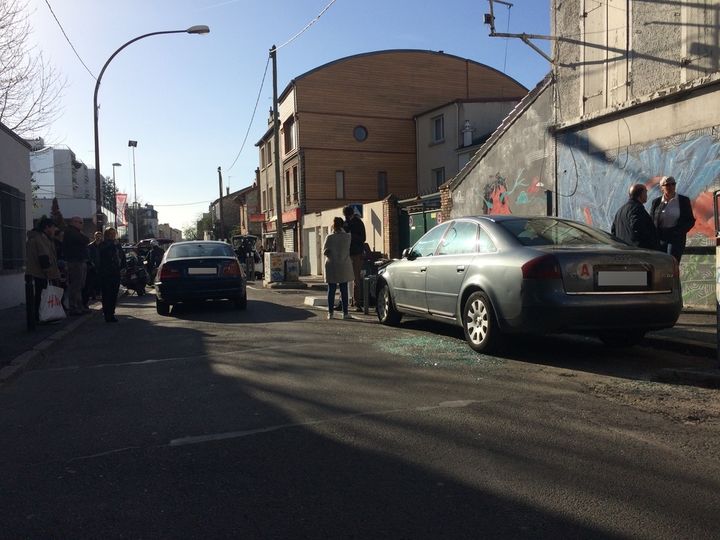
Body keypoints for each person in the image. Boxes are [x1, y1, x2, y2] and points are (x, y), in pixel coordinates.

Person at [650, 176, 696, 262]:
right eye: (667, 184)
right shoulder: (656, 202)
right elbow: (652, 220)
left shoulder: (683, 200)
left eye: (673, 184)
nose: (671, 187)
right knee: (660, 263)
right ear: (662, 188)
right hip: (660, 237)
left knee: (672, 261)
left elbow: (690, 220)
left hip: (675, 237)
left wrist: (679, 231)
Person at [25, 217, 61, 323]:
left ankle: (38, 317)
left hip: (36, 271)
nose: (54, 230)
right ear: (47, 228)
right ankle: (41, 317)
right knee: (42, 296)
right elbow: (44, 258)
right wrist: (49, 273)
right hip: (41, 273)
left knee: (39, 296)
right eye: (53, 227)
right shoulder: (41, 239)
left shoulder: (37, 238)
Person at [323, 217, 355, 320]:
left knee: (331, 289)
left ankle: (330, 313)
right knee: (344, 288)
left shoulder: (329, 237)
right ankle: (345, 313)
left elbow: (325, 251)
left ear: (333, 225)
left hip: (332, 264)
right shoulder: (347, 237)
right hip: (343, 264)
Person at [611, 183, 659, 250]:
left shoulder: (620, 211)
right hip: (637, 253)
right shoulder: (637, 209)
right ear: (641, 194)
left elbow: (613, 231)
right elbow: (638, 229)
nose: (646, 195)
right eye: (645, 192)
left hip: (623, 251)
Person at [62, 216, 90, 315]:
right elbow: (86, 240)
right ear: (74, 222)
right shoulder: (71, 232)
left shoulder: (75, 232)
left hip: (79, 261)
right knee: (75, 285)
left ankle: (79, 306)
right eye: (80, 223)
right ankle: (74, 307)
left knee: (79, 285)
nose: (82, 225)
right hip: (75, 262)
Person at [98, 227, 125, 323]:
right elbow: (102, 254)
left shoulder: (117, 244)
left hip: (116, 272)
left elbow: (122, 256)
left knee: (114, 294)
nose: (113, 235)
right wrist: (112, 244)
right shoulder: (103, 244)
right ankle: (107, 314)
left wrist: (123, 267)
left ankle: (112, 313)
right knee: (107, 294)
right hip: (106, 273)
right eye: (111, 234)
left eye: (114, 233)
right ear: (107, 235)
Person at [342, 205, 367, 311]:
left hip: (355, 253)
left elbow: (362, 238)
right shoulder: (348, 222)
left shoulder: (357, 222)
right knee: (347, 278)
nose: (346, 217)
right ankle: (350, 301)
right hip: (350, 253)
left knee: (355, 278)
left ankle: (357, 303)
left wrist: (351, 236)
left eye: (346, 215)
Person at [83, 231, 103, 307]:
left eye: (100, 236)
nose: (98, 237)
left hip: (101, 266)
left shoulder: (103, 245)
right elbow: (88, 256)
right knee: (92, 281)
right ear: (95, 236)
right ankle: (93, 295)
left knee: (100, 281)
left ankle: (98, 293)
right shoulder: (90, 246)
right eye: (97, 236)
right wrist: (91, 263)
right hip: (93, 267)